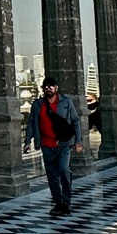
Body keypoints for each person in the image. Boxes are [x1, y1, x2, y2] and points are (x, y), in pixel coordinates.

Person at [24, 76, 83, 216]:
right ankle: (58, 203)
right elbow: (32, 123)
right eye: (45, 86)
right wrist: (27, 141)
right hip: (46, 145)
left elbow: (75, 120)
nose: (48, 88)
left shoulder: (66, 102)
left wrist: (78, 141)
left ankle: (67, 200)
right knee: (52, 176)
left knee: (63, 170)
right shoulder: (38, 104)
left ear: (56, 88)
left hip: (64, 144)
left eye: (51, 86)